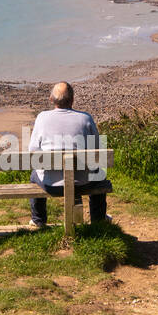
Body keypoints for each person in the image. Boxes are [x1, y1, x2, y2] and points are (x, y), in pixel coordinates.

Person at [27, 81, 111, 228]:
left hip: (51, 185)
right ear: (72, 100)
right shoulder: (85, 118)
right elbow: (98, 151)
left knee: (35, 175)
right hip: (82, 183)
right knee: (99, 174)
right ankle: (98, 220)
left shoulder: (42, 118)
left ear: (51, 99)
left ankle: (38, 220)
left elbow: (33, 151)